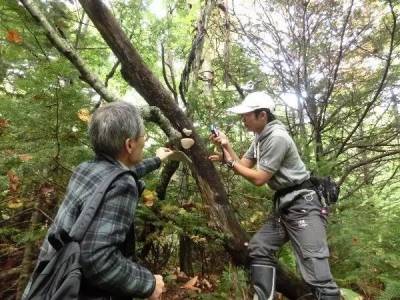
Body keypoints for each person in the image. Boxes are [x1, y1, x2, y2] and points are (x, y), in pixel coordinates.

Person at [26, 101, 174, 300]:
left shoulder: (85, 169)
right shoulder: (123, 186)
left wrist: (157, 160)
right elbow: (98, 261)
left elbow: (117, 173)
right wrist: (148, 284)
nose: (144, 141)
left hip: (50, 283)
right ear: (130, 144)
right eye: (143, 137)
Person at [209, 92, 340, 300]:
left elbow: (259, 178)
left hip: (303, 206)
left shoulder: (277, 137)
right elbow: (243, 165)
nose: (243, 119)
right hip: (285, 208)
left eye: (247, 115)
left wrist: (230, 163)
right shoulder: (260, 137)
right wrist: (225, 147)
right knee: (259, 247)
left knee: (317, 273)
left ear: (262, 115)